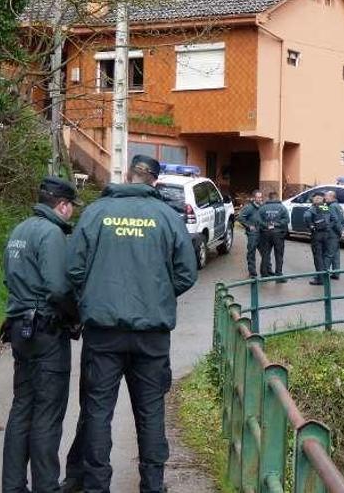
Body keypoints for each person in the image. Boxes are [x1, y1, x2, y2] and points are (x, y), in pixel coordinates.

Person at [66, 155, 198, 493]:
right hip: (151, 336)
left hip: (103, 331)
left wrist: (92, 297)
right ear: (154, 180)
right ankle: (152, 485)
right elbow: (186, 272)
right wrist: (158, 295)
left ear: (128, 176)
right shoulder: (168, 217)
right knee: (151, 411)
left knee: (98, 411)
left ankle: (97, 486)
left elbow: (74, 269)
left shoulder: (96, 213)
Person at [0, 176, 82, 493]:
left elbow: (9, 279)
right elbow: (58, 287)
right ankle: (46, 487)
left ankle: (13, 486)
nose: (72, 213)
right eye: (71, 207)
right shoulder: (51, 234)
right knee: (48, 413)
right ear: (61, 205)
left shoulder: (20, 230)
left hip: (19, 327)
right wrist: (76, 316)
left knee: (22, 408)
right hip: (47, 331)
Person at [302, 192, 337, 286]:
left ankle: (319, 278)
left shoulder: (312, 208)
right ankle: (324, 276)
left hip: (316, 235)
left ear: (314, 199)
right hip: (326, 235)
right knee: (324, 256)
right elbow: (334, 219)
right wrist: (328, 227)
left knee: (318, 257)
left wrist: (311, 226)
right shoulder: (325, 207)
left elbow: (306, 217)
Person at [258, 191, 290, 283]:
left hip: (265, 234)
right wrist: (277, 224)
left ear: (269, 197)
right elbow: (287, 220)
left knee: (265, 254)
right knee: (279, 255)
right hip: (278, 234)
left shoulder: (262, 208)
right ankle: (278, 276)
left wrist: (266, 225)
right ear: (277, 197)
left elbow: (258, 221)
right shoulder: (282, 207)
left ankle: (264, 275)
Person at [237, 190, 264, 278]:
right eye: (258, 197)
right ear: (254, 198)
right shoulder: (249, 207)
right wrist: (248, 226)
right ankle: (252, 272)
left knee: (265, 253)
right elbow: (240, 217)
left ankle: (266, 272)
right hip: (252, 234)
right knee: (251, 253)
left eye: (261, 197)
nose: (260, 199)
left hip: (262, 233)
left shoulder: (262, 207)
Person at [324, 190, 344, 280]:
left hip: (332, 233)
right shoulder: (338, 206)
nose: (325, 198)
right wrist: (343, 230)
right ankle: (336, 273)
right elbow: (342, 220)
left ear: (331, 197)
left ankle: (324, 273)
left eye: (326, 196)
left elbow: (335, 220)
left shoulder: (332, 207)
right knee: (336, 254)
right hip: (337, 233)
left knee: (328, 254)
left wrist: (340, 230)